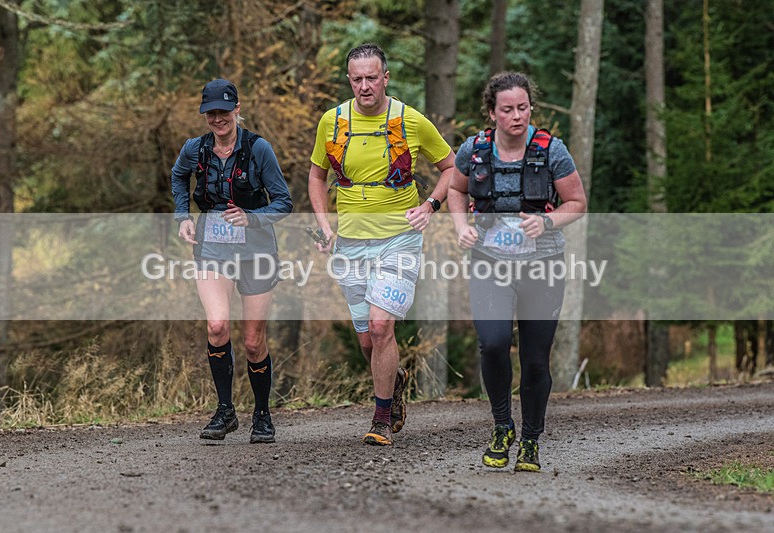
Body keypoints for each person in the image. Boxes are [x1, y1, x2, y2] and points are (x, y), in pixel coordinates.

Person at [308, 44, 455, 446]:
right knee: (367, 340)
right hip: (350, 242)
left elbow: (451, 167)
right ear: (349, 80)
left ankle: (381, 419)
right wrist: (324, 226)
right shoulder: (332, 121)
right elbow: (317, 177)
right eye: (357, 79)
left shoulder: (409, 120)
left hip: (399, 238)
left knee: (380, 325)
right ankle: (396, 379)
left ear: (385, 78)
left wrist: (431, 205)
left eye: (372, 78)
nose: (364, 86)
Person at [447, 72, 587, 471]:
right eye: (507, 109)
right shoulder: (474, 150)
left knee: (535, 358)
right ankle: (502, 426)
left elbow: (577, 202)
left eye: (523, 108)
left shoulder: (552, 151)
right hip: (490, 262)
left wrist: (547, 221)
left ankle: (530, 440)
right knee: (492, 343)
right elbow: (456, 189)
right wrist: (461, 226)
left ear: (530, 109)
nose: (516, 116)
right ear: (492, 113)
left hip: (542, 265)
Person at [171, 79, 293, 442]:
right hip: (212, 248)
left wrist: (251, 218)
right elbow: (178, 176)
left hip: (256, 252)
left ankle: (262, 415)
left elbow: (283, 202)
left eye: (223, 111)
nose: (217, 119)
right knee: (217, 326)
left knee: (253, 341)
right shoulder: (195, 149)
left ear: (237, 109)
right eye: (210, 113)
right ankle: (225, 411)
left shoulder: (258, 149)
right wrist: (183, 216)